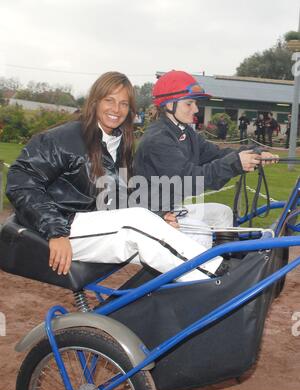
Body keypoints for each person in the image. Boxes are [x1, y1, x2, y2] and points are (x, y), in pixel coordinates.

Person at [6, 71, 223, 282]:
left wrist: (157, 213)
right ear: (94, 102)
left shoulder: (120, 143)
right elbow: (20, 181)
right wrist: (55, 231)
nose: (116, 109)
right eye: (109, 100)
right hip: (62, 226)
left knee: (175, 230)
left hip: (95, 223)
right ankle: (218, 278)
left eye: (124, 104)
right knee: (137, 223)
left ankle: (189, 299)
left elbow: (119, 195)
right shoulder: (63, 138)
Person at [134, 70, 277, 247]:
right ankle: (205, 272)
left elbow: (216, 154)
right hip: (149, 215)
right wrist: (236, 163)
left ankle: (222, 268)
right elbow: (189, 179)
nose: (195, 109)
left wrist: (255, 153)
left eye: (195, 103)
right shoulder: (158, 140)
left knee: (222, 213)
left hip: (169, 208)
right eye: (189, 103)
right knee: (201, 233)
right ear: (169, 104)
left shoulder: (185, 133)